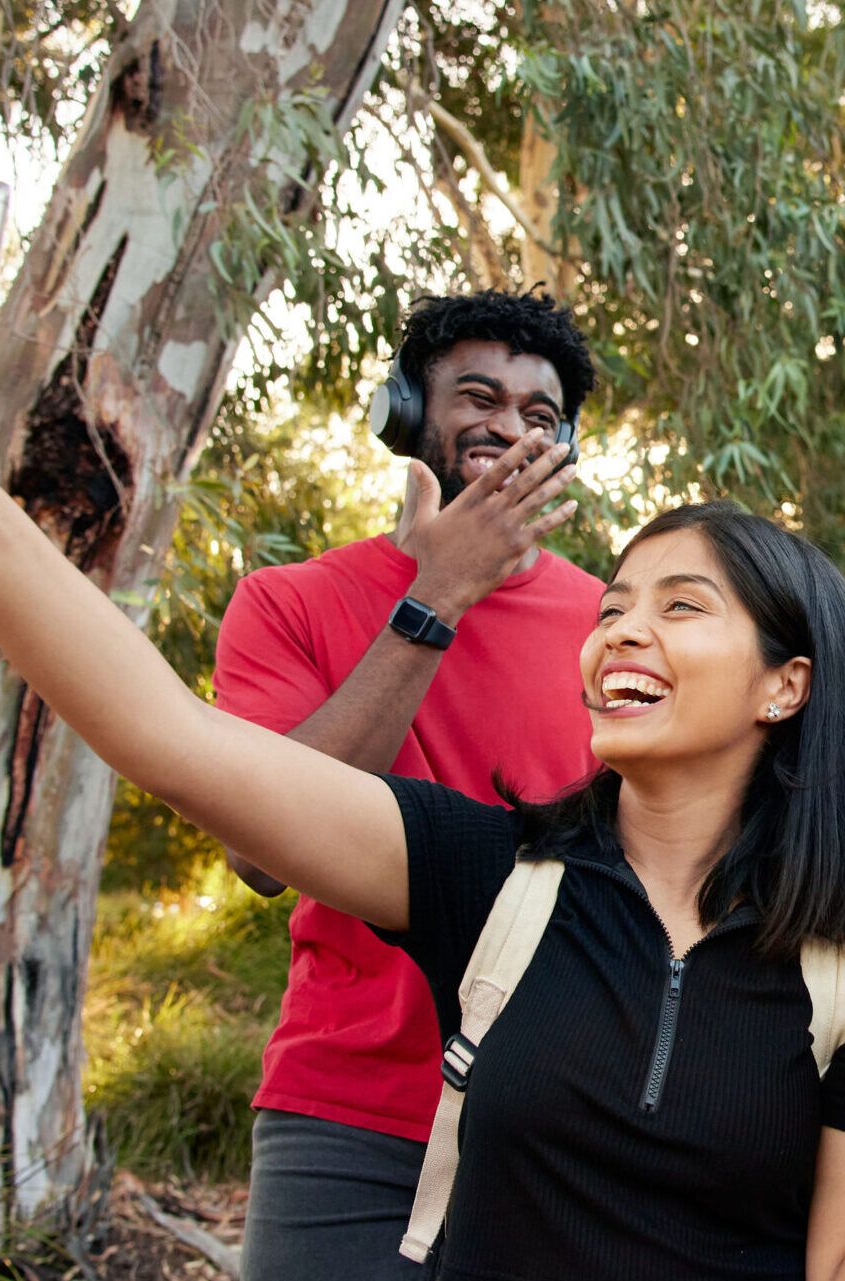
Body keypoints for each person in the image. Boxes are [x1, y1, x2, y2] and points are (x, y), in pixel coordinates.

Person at [0, 221, 845, 1281]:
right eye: (616, 603)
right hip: (347, 1120)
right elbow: (168, 737)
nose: (618, 628)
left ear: (787, 687)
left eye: (681, 606)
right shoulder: (490, 875)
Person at [213, 290, 596, 1280]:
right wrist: (439, 595)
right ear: (403, 413)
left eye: (539, 415)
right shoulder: (288, 603)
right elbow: (260, 851)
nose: (508, 426)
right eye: (478, 396)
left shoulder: (617, 626)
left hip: (568, 1115)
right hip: (348, 1115)